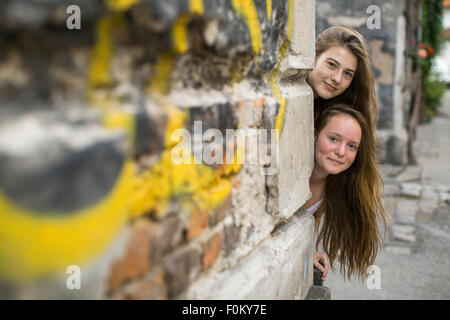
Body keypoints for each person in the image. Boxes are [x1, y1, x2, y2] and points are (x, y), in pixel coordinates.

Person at [306, 104, 387, 282]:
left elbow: (315, 216)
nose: (341, 152)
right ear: (314, 134)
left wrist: (308, 251)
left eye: (352, 146)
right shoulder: (292, 176)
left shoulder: (333, 185)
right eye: (334, 139)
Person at [306, 26, 378, 141]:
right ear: (314, 56)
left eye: (348, 74)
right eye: (331, 64)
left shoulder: (339, 117)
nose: (338, 79)